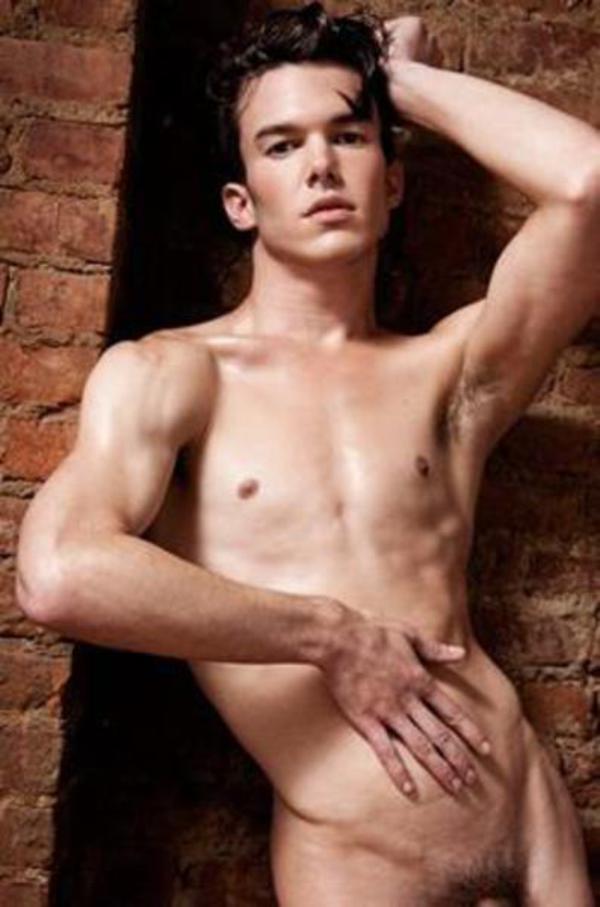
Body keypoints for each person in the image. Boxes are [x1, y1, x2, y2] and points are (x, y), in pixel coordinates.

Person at [15, 4, 599, 904]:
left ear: (392, 182)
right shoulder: (174, 373)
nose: (321, 165)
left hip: (534, 832)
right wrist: (329, 635)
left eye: (349, 135)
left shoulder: (448, 374)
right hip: (360, 865)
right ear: (241, 202)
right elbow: (58, 573)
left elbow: (589, 185)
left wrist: (402, 84)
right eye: (282, 145)